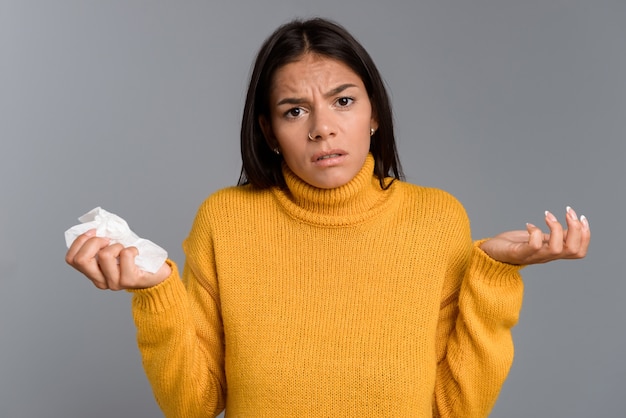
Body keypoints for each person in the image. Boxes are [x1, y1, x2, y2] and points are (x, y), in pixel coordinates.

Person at [65, 18, 590, 418]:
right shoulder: (225, 220)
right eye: (294, 110)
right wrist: (157, 290)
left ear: (375, 113)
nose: (323, 128)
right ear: (269, 132)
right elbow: (195, 405)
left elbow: (454, 408)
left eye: (343, 101)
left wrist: (495, 274)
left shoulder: (436, 220)